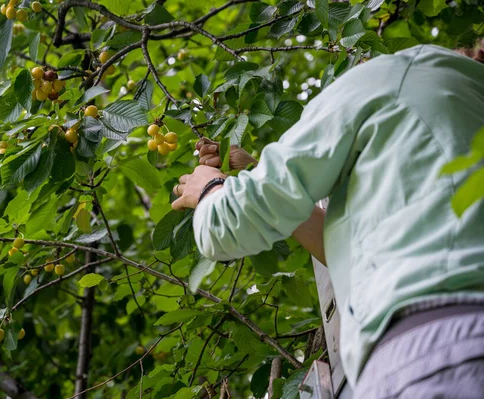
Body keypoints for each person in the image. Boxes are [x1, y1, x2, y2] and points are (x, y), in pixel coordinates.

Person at [171, 44, 484, 398]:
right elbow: (353, 253)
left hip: (437, 349)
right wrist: (253, 172)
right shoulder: (460, 118)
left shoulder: (399, 74)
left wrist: (210, 189)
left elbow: (226, 226)